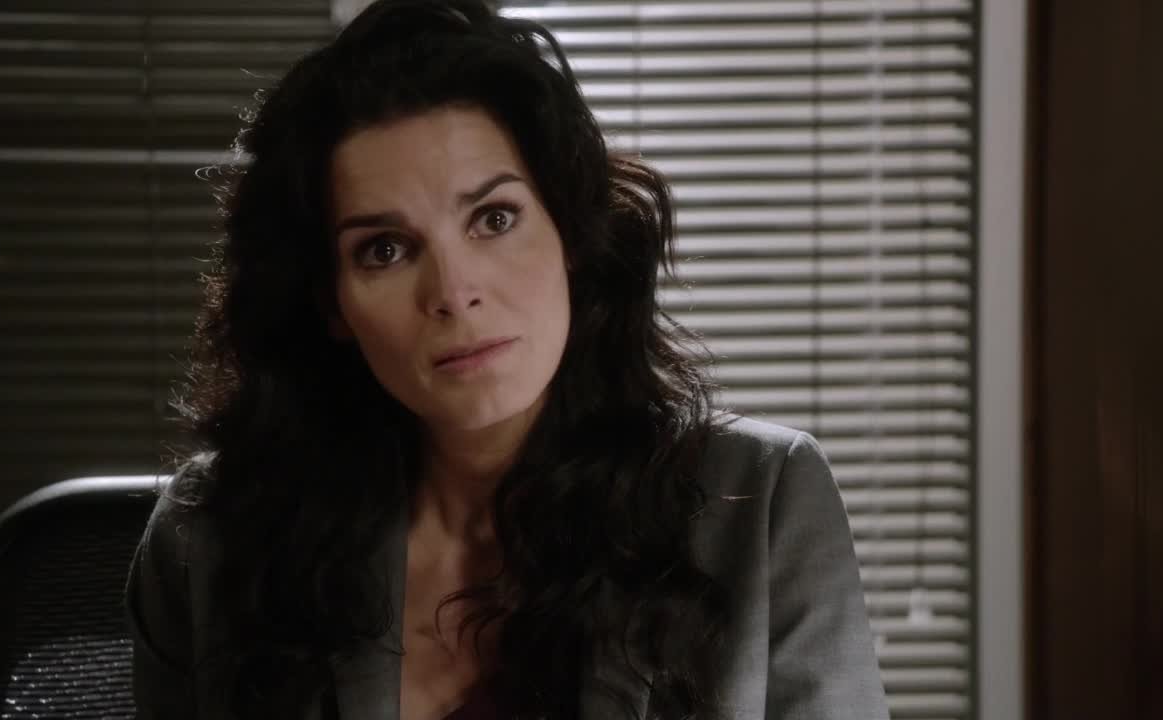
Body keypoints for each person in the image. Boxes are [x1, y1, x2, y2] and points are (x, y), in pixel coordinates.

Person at [123, 1, 888, 718]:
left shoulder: (761, 503)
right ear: (332, 305)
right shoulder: (211, 539)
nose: (454, 293)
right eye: (384, 250)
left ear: (571, 234)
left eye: (494, 218)